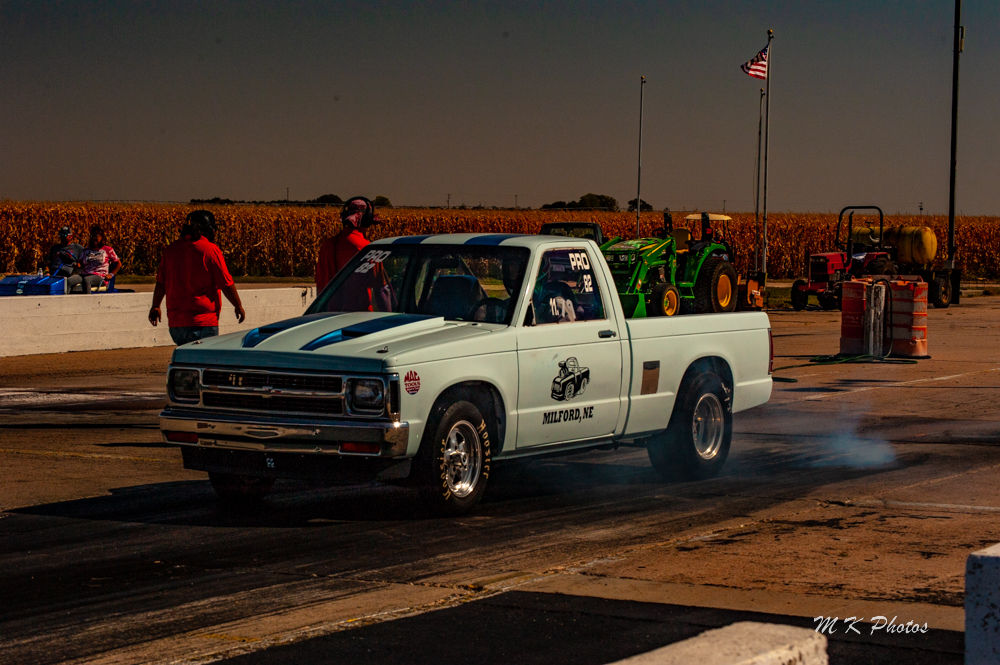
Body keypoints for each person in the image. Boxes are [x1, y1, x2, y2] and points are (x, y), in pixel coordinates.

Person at [148, 210, 246, 346]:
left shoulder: (171, 250)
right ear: (209, 229)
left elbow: (161, 283)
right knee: (204, 358)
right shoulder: (210, 250)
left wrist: (155, 306)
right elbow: (226, 283)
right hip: (202, 322)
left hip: (176, 324)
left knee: (186, 358)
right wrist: (238, 305)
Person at [315, 197, 380, 291]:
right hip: (359, 301)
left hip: (328, 301)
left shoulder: (326, 245)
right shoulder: (367, 248)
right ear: (367, 220)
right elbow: (380, 289)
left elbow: (319, 283)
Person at [77, 225, 121, 294]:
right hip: (85, 274)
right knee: (69, 281)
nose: (94, 238)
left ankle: (87, 298)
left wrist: (111, 274)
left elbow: (118, 263)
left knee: (87, 280)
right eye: (92, 236)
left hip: (100, 276)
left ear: (101, 237)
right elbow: (80, 262)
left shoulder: (107, 250)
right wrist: (77, 264)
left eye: (96, 236)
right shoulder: (86, 250)